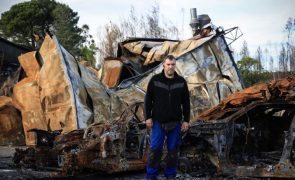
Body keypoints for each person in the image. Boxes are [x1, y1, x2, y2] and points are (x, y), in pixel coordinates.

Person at [144, 55, 190, 179]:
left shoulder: (181, 82)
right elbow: (148, 100)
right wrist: (147, 117)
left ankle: (170, 175)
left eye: (173, 64)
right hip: (158, 122)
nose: (170, 67)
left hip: (175, 123)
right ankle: (151, 176)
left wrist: (186, 120)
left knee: (173, 151)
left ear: (175, 66)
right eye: (168, 64)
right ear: (163, 65)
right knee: (155, 150)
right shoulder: (155, 80)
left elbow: (186, 102)